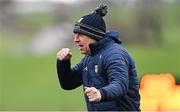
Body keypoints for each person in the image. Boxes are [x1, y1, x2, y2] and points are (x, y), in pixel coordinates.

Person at [56, 4, 140, 111]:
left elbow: (120, 85)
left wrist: (101, 93)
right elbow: (68, 83)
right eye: (75, 34)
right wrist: (63, 63)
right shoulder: (89, 58)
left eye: (80, 34)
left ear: (93, 35)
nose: (75, 39)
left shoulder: (114, 54)